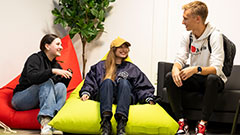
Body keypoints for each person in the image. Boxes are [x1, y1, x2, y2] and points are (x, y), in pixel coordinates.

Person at [165, 1, 226, 135]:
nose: (182, 22)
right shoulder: (187, 36)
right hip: (196, 78)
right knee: (170, 77)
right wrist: (176, 68)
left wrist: (195, 69)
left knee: (212, 79)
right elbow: (180, 58)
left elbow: (216, 68)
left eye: (185, 18)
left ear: (197, 19)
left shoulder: (215, 36)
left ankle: (202, 123)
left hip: (213, 80)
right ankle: (181, 121)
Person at [79, 37, 155, 135]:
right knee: (107, 82)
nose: (124, 50)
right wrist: (86, 92)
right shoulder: (100, 66)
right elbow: (90, 81)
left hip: (125, 97)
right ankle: (106, 123)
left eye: (126, 47)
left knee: (124, 82)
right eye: (121, 47)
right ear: (113, 49)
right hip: (105, 96)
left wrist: (148, 97)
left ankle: (121, 124)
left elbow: (141, 86)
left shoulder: (131, 68)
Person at [11, 34, 72, 135]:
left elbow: (58, 88)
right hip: (20, 99)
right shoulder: (35, 58)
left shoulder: (56, 65)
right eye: (58, 44)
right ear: (47, 46)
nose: (61, 47)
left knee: (61, 87)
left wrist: (67, 78)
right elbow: (32, 77)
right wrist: (52, 71)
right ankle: (45, 122)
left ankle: (54, 122)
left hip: (39, 99)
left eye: (61, 44)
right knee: (47, 81)